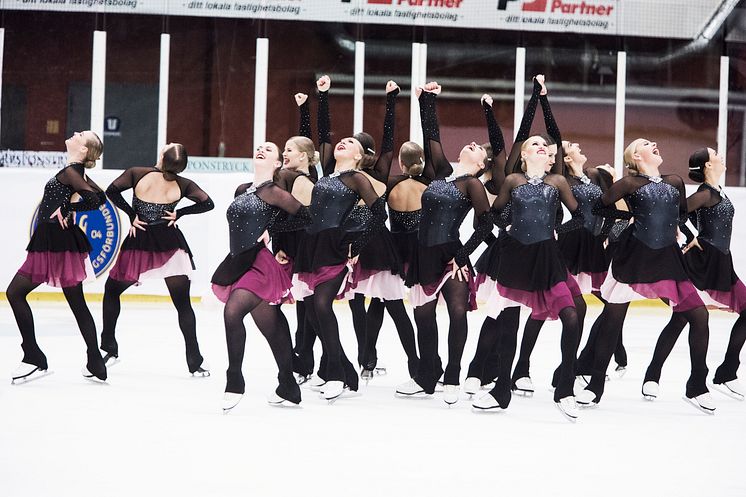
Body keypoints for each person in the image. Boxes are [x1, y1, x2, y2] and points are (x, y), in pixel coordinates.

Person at [579, 138, 714, 414]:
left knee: (699, 315)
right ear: (636, 157)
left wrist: (678, 229)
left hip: (667, 259)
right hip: (634, 256)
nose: (653, 143)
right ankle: (595, 386)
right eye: (645, 144)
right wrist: (630, 217)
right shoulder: (630, 184)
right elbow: (599, 207)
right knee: (612, 321)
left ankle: (697, 385)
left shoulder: (674, 181)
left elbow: (680, 215)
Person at [471, 133, 583, 421]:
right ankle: (501, 391)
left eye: (544, 146)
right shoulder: (513, 181)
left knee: (571, 316)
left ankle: (566, 388)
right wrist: (506, 228)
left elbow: (581, 217)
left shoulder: (557, 182)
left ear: (549, 159)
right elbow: (494, 215)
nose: (541, 147)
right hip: (515, 256)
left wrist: (560, 231)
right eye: (534, 144)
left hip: (547, 258)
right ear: (523, 155)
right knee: (509, 325)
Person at [394, 82, 493, 406]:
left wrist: (463, 256)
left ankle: (452, 374)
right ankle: (427, 374)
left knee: (457, 314)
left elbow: (486, 224)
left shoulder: (473, 183)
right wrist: (428, 101)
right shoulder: (442, 172)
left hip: (452, 254)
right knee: (422, 317)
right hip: (422, 255)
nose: (474, 144)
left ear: (481, 164)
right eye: (473, 144)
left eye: (480, 148)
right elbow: (431, 139)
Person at [292, 75, 387, 402]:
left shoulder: (358, 177)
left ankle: (336, 373)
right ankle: (345, 369)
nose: (343, 143)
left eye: (352, 144)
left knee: (321, 305)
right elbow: (316, 138)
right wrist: (320, 97)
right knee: (314, 311)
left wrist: (357, 245)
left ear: (360, 157)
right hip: (312, 247)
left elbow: (380, 213)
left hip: (336, 248)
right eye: (342, 142)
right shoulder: (327, 173)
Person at [212, 142, 312, 412]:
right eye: (259, 147)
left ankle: (234, 379)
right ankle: (288, 382)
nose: (260, 150)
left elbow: (308, 218)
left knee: (233, 312)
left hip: (259, 264)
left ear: (277, 163)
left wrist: (272, 227)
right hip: (238, 261)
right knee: (271, 324)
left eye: (268, 150)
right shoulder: (242, 190)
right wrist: (268, 226)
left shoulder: (275, 192)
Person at [102, 144, 214, 375]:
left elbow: (111, 192)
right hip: (170, 244)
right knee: (183, 304)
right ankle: (195, 361)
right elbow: (207, 203)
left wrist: (132, 215)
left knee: (112, 291)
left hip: (140, 241)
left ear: (162, 156)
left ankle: (109, 347)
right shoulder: (184, 184)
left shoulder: (137, 173)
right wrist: (180, 212)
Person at [643, 147, 745, 401]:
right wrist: (691, 237)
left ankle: (726, 372)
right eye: (716, 154)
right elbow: (675, 214)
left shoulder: (717, 192)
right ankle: (653, 376)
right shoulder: (704, 194)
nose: (721, 156)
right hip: (701, 261)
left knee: (682, 320)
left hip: (722, 262)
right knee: (681, 319)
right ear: (708, 165)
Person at [8, 130, 108, 383]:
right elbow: (102, 197)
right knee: (77, 303)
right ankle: (96, 362)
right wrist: (68, 206)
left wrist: (68, 207)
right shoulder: (76, 173)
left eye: (80, 135)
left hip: (53, 241)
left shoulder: (72, 172)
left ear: (84, 149)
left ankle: (33, 358)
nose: (75, 134)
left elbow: (96, 200)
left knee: (15, 293)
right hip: (62, 242)